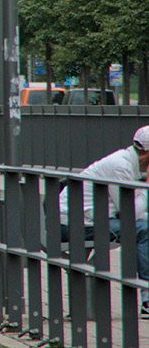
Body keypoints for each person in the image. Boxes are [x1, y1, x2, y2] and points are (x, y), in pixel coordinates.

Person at [59, 125, 149, 317]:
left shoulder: (124, 161)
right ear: (147, 154)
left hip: (81, 219)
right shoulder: (121, 167)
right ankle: (147, 300)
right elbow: (130, 213)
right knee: (144, 230)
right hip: (77, 224)